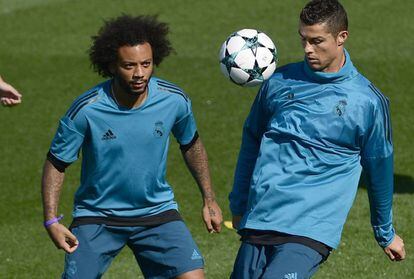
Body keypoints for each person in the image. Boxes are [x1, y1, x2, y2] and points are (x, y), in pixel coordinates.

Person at [229, 0, 405, 278]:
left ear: (341, 37)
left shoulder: (367, 101)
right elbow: (252, 140)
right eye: (303, 40)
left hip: (310, 227)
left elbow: (379, 169)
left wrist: (385, 233)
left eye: (317, 41)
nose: (308, 49)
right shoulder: (279, 82)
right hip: (262, 216)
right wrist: (238, 203)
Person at [41, 15, 222, 279]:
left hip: (156, 212)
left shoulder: (174, 100)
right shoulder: (87, 109)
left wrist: (209, 199)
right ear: (112, 65)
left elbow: (191, 144)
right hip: (97, 215)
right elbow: (56, 163)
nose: (139, 73)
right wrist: (51, 220)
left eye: (146, 64)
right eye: (129, 65)